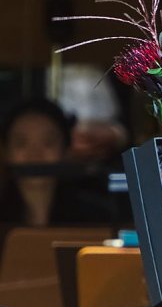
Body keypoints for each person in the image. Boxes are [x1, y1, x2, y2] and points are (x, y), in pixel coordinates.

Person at [0, 97, 115, 227]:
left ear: (65, 150)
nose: (35, 154)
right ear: (6, 152)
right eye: (21, 143)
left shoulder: (97, 217)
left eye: (47, 142)